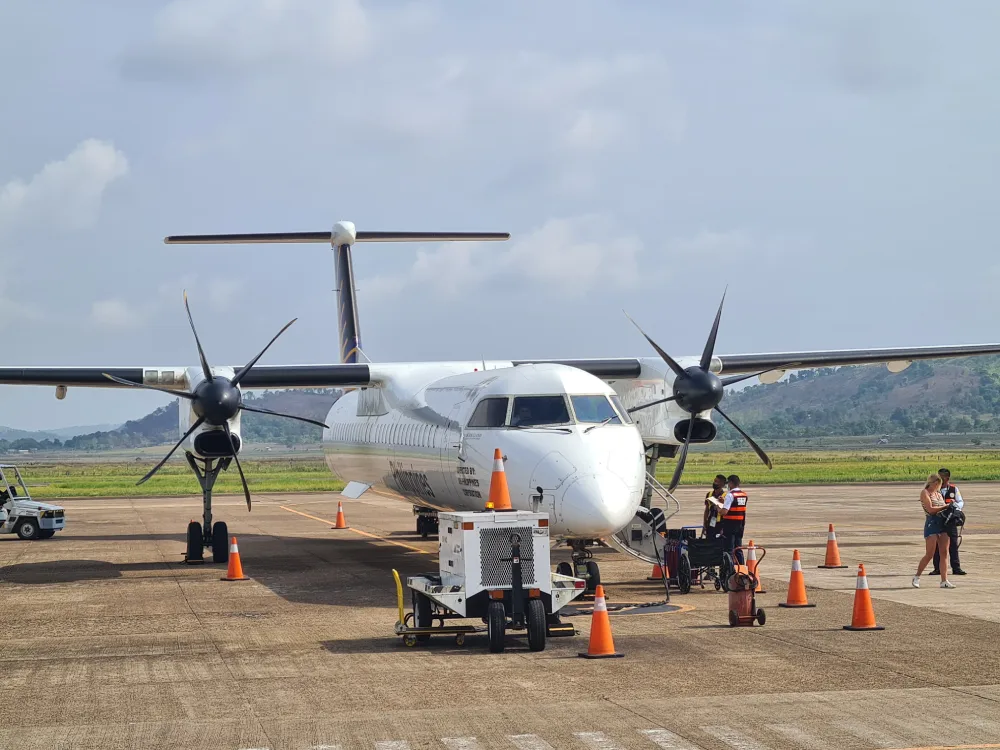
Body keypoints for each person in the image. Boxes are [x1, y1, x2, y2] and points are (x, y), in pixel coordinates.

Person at [913, 473, 955, 588]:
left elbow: (942, 507)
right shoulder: (925, 493)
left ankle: (944, 580)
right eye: (936, 484)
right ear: (932, 483)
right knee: (930, 553)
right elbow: (931, 509)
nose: (938, 486)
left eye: (939, 484)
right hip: (932, 523)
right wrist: (945, 506)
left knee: (944, 553)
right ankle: (917, 576)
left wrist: (950, 507)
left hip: (943, 523)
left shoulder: (938, 493)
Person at [931, 468, 965, 575]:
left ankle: (956, 568)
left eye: (941, 477)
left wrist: (955, 509)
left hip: (950, 521)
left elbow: (960, 502)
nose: (939, 480)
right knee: (937, 546)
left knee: (953, 545)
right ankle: (937, 568)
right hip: (938, 520)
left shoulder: (954, 489)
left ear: (947, 478)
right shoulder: (934, 490)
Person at [711, 474, 748, 565]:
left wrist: (718, 507)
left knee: (729, 549)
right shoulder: (743, 494)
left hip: (730, 525)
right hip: (740, 525)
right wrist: (724, 502)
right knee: (738, 548)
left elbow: (724, 512)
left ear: (731, 483)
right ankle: (741, 569)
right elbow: (736, 506)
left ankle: (730, 570)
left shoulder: (730, 495)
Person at [702, 474, 727, 539]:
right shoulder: (709, 494)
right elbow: (707, 510)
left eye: (716, 482)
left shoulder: (725, 495)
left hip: (720, 523)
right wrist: (704, 523)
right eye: (714, 481)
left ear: (722, 484)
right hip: (710, 522)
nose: (714, 483)